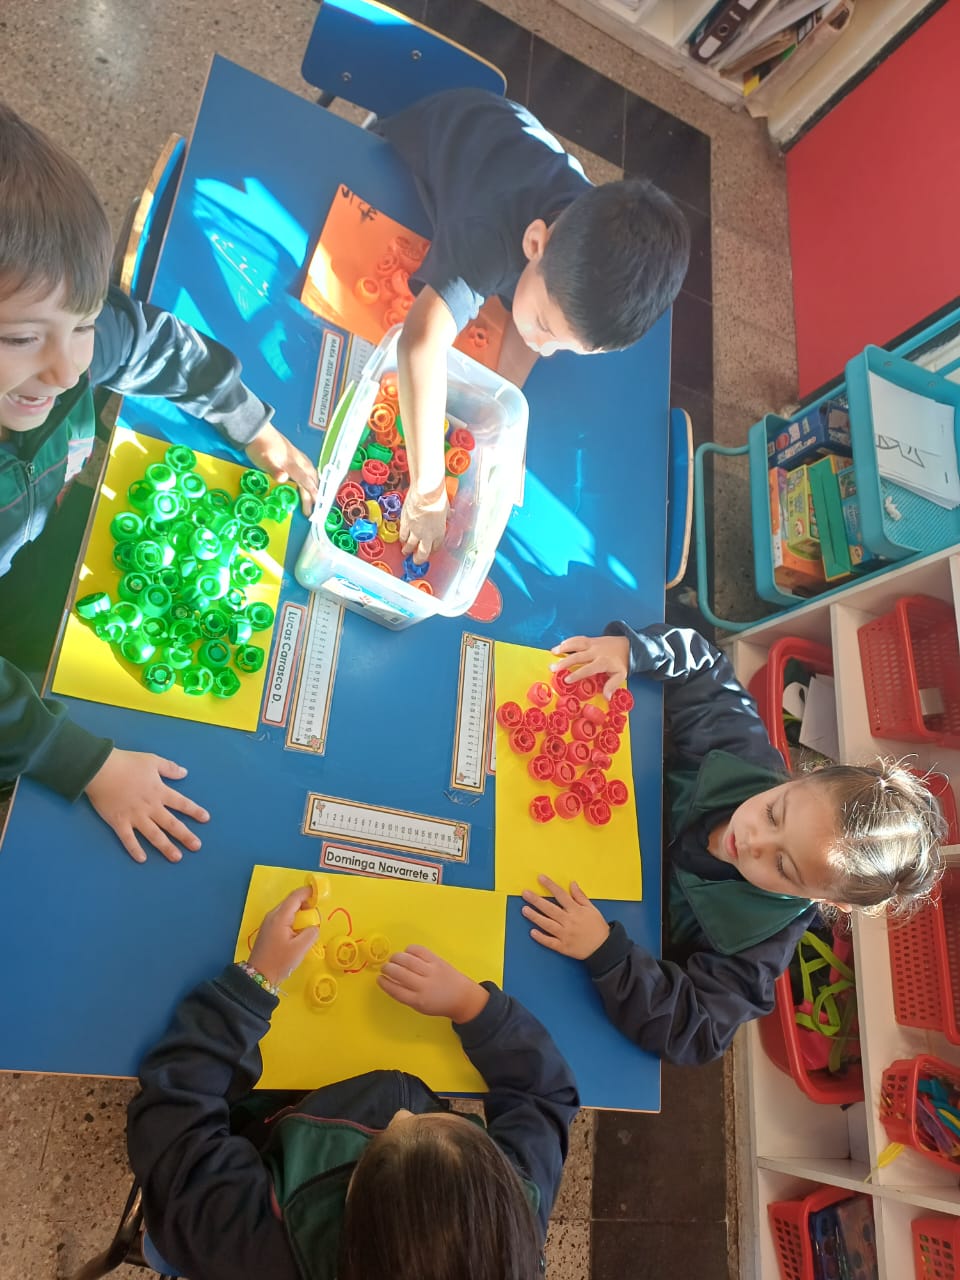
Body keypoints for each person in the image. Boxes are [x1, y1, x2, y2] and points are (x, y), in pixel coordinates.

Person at [0, 100, 319, 863]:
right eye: (21, 338)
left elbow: (152, 344)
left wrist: (251, 424)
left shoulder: (62, 349)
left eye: (80, 324)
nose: (68, 367)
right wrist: (84, 763)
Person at [520, 623, 945, 1065]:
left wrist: (607, 955)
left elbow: (695, 1032)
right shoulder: (741, 753)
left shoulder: (761, 945)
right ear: (805, 776)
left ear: (826, 901)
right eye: (774, 813)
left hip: (586, 914)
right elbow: (703, 667)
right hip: (569, 814)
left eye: (783, 866)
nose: (754, 840)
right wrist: (634, 651)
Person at [126, 885, 578, 1280]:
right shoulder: (503, 1229)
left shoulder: (254, 1237)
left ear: (351, 1211)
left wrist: (253, 983)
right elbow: (544, 1094)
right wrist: (473, 1006)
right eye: (458, 1126)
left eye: (393, 1134)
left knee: (188, 1221)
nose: (404, 1111)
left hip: (268, 1120)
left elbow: (175, 1121)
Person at [375, 89, 691, 563]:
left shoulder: (587, 240)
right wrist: (427, 491)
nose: (543, 349)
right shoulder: (487, 237)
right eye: (545, 326)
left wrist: (500, 409)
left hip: (507, 147)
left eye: (562, 346)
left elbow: (530, 322)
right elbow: (419, 344)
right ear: (534, 243)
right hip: (418, 144)